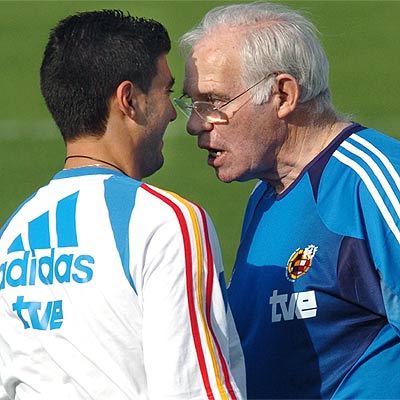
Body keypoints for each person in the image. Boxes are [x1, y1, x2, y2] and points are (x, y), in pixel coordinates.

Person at [0, 10, 246, 400]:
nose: (174, 114)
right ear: (129, 100)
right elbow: (193, 391)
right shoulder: (167, 223)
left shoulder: (12, 236)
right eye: (166, 92)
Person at [176, 1, 400, 399]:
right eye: (192, 104)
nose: (195, 124)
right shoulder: (265, 196)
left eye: (214, 102)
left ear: (282, 95)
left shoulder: (372, 179)